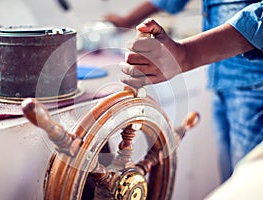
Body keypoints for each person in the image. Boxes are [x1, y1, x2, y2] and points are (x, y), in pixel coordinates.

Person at [105, 0, 263, 183]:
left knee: (248, 184)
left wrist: (186, 54)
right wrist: (129, 19)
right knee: (231, 183)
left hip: (256, 84)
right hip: (221, 79)